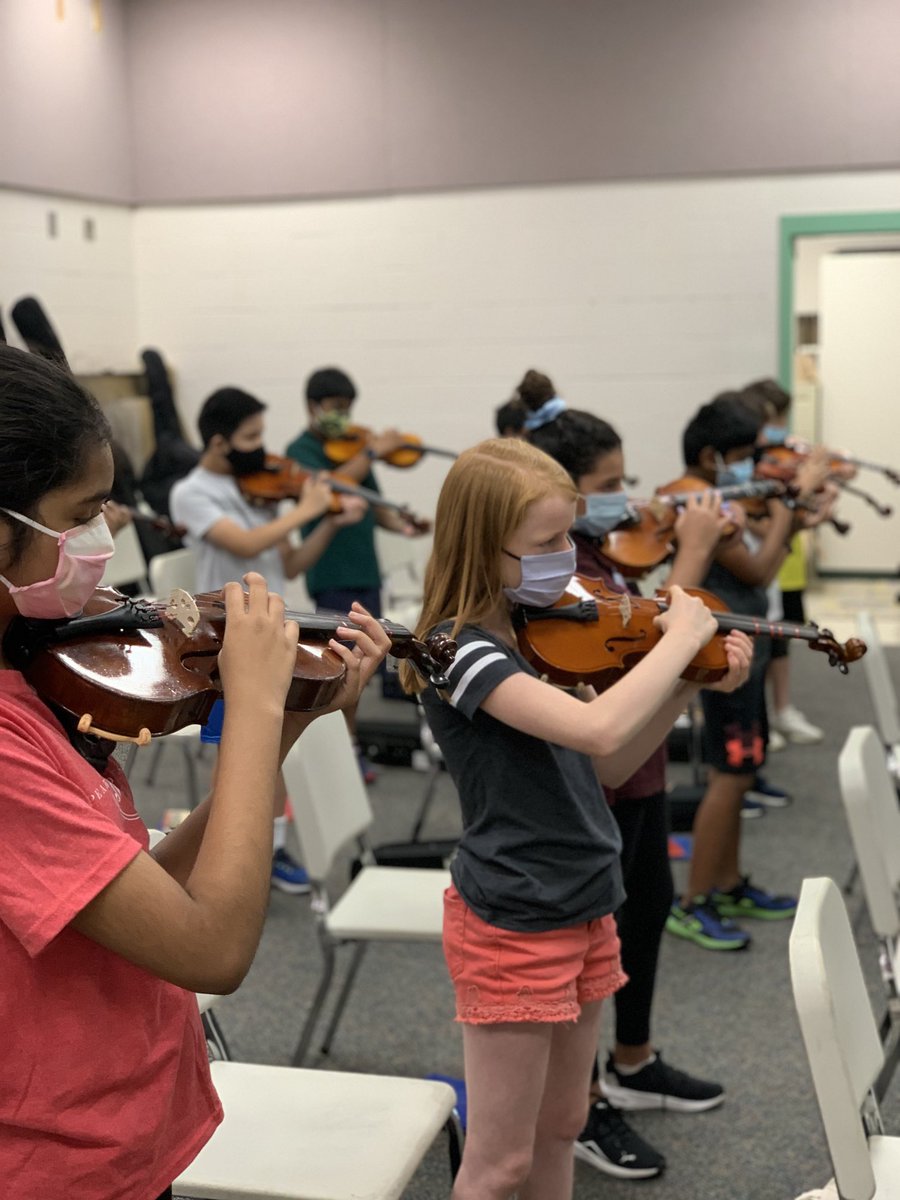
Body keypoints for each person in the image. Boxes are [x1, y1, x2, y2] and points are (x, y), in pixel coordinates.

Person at [0, 343, 390, 1198]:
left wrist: (280, 727)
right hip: (55, 1163)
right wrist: (246, 708)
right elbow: (211, 950)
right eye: (82, 513)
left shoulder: (30, 683)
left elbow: (147, 898)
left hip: (123, 1132)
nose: (105, 538)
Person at [401, 436, 751, 1200]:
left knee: (561, 1125)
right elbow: (598, 729)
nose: (571, 555)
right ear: (479, 546)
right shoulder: (457, 651)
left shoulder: (539, 637)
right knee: (499, 1165)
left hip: (588, 902)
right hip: (516, 920)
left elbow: (608, 768)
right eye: (549, 541)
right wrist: (682, 636)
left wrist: (693, 683)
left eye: (569, 532)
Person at [522, 373, 733, 1178]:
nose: (625, 501)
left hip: (636, 771)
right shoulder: (553, 573)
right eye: (608, 488)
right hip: (596, 784)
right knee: (591, 951)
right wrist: (695, 560)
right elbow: (619, 672)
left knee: (646, 911)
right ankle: (585, 1103)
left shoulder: (599, 556)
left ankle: (634, 1064)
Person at [171, 385, 367, 893]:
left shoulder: (259, 487)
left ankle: (264, 847)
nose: (262, 446)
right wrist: (308, 506)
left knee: (281, 734)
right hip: (224, 635)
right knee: (243, 747)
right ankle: (255, 854)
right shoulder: (192, 492)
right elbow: (246, 543)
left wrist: (325, 522)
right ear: (218, 442)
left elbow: (289, 561)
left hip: (276, 624)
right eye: (251, 436)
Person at [666, 392, 832, 951]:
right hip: (723, 653)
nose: (752, 466)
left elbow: (766, 542)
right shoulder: (702, 504)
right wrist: (790, 506)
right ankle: (694, 900)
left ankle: (728, 882)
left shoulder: (723, 496)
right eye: (743, 453)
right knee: (730, 773)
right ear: (714, 455)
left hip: (748, 648)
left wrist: (796, 512)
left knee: (743, 768)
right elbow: (760, 569)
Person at [285, 366, 427, 782]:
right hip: (331, 571)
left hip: (366, 568)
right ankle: (343, 754)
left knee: (366, 664)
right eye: (335, 408)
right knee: (343, 665)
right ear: (313, 406)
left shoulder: (356, 447)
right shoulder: (301, 451)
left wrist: (403, 524)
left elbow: (375, 504)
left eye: (349, 409)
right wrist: (371, 453)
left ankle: (350, 747)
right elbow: (331, 488)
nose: (343, 417)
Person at [742, 378, 825, 746]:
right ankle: (760, 724)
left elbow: (780, 523)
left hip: (773, 569)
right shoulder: (747, 470)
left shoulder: (770, 460)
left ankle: (773, 717)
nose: (777, 430)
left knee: (775, 644)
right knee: (752, 657)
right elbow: (763, 525)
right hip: (753, 568)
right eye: (772, 420)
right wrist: (800, 493)